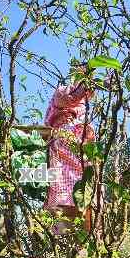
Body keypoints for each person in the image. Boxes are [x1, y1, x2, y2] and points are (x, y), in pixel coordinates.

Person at [44, 64, 95, 234]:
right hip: (63, 140)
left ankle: (91, 235)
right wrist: (84, 82)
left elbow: (85, 94)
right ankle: (63, 234)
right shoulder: (62, 92)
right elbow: (70, 96)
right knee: (62, 183)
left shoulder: (82, 109)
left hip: (78, 142)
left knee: (84, 182)